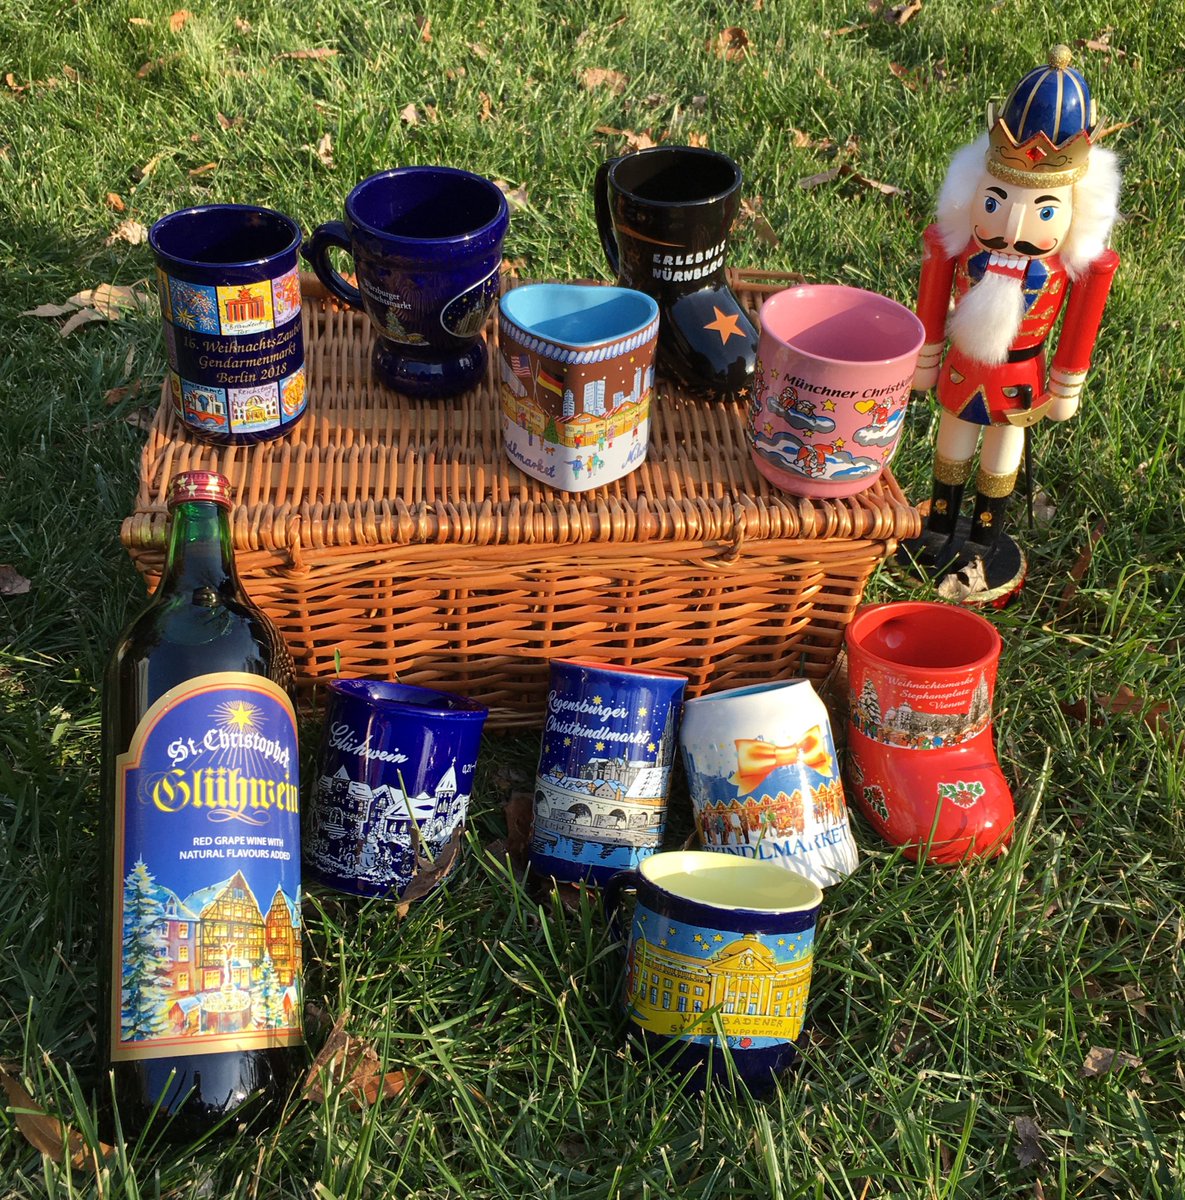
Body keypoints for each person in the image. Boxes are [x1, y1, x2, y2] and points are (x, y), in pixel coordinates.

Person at [901, 45, 1121, 604]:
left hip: (1021, 374)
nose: (1012, 226)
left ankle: (985, 534)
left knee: (1003, 447)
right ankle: (940, 523)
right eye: (996, 201)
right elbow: (933, 299)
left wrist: (1067, 384)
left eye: (1044, 210)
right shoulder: (958, 249)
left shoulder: (1070, 270)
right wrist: (926, 357)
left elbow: (1080, 325)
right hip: (962, 365)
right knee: (952, 439)